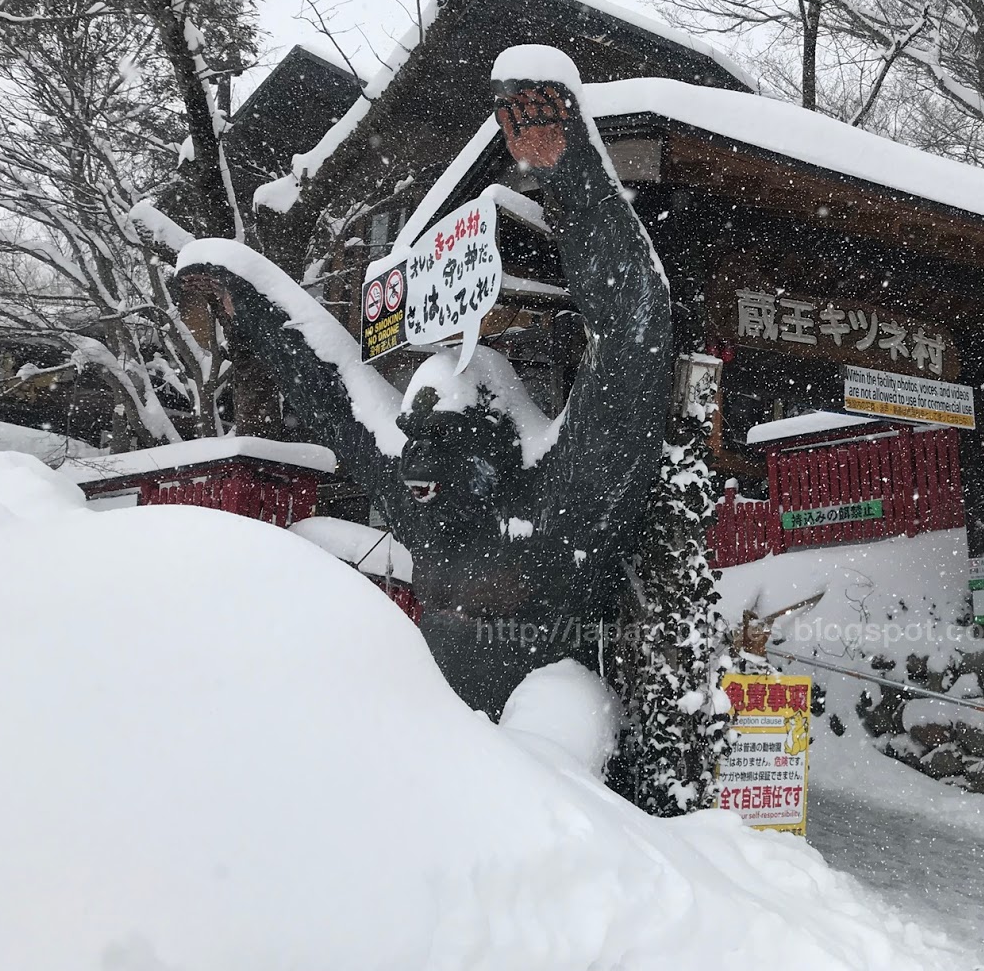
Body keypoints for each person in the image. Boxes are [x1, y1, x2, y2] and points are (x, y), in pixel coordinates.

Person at [180, 46, 672, 715]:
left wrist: (574, 176)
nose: (415, 458)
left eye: (439, 441)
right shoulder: (429, 511)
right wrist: (255, 305)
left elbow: (631, 336)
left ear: (493, 438)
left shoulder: (556, 492)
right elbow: (338, 395)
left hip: (545, 750)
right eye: (415, 437)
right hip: (438, 739)